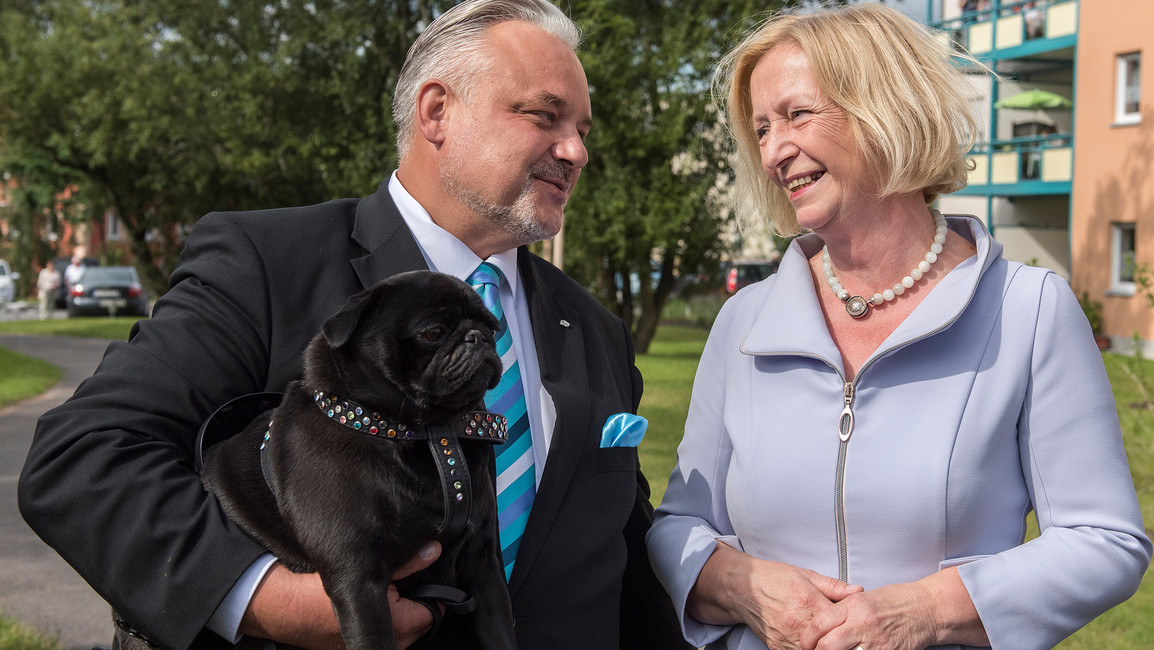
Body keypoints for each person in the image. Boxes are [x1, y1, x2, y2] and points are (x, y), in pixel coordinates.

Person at [18, 1, 688, 648]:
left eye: (583, 130)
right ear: (437, 111)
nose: (575, 151)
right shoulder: (266, 265)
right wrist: (265, 599)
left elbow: (623, 560)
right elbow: (84, 458)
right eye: (545, 116)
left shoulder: (595, 328)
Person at [646, 5, 1151, 650]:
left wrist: (925, 612)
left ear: (884, 109)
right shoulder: (744, 320)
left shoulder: (1029, 309)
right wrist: (743, 586)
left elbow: (1103, 540)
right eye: (762, 129)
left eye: (798, 114)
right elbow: (678, 525)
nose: (773, 150)